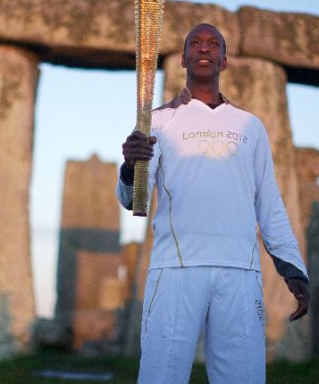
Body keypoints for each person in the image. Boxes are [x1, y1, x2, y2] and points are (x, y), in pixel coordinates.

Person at [116, 23, 309, 383]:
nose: (204, 48)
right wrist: (130, 166)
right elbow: (133, 200)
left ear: (224, 61)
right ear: (185, 59)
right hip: (176, 268)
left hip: (239, 271)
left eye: (213, 43)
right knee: (161, 376)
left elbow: (268, 202)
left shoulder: (250, 126)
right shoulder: (157, 121)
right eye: (195, 43)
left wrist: (292, 268)